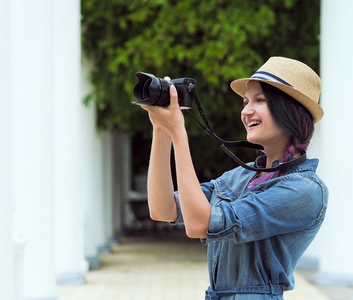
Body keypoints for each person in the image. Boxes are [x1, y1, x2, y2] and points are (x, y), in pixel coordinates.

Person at [140, 56, 328, 299]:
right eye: (245, 101)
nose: (246, 111)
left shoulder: (305, 190)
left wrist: (179, 132)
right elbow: (163, 209)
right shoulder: (242, 175)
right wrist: (161, 129)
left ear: (290, 112)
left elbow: (200, 225)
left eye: (260, 100)